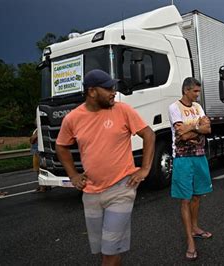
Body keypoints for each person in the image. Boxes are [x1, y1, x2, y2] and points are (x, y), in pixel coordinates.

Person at [56, 69, 155, 266]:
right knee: (106, 249)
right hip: (91, 193)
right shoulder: (73, 118)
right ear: (92, 92)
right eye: (109, 88)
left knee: (110, 250)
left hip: (121, 189)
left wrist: (144, 169)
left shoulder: (122, 110)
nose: (113, 92)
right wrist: (73, 174)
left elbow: (149, 135)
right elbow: (61, 145)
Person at [168, 77, 213, 261]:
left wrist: (191, 129)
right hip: (183, 158)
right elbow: (180, 134)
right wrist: (197, 126)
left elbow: (208, 129)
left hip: (199, 155)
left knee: (196, 197)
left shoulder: (198, 107)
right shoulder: (174, 107)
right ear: (186, 90)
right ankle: (190, 241)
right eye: (195, 91)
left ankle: (195, 228)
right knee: (185, 199)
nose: (197, 94)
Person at [30, 128, 49, 193]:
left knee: (40, 169)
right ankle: (42, 185)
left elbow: (32, 140)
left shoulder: (39, 130)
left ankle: (43, 187)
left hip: (39, 152)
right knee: (39, 170)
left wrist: (33, 137)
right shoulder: (36, 129)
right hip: (36, 152)